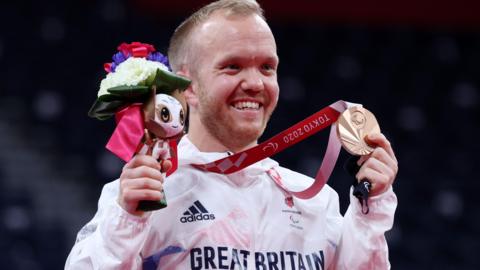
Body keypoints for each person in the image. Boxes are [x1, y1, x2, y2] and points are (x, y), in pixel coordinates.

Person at [65, 0, 398, 269]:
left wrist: (372, 209)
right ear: (187, 87)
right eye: (233, 66)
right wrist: (127, 219)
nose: (255, 83)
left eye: (267, 67)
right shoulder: (144, 196)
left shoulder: (316, 201)